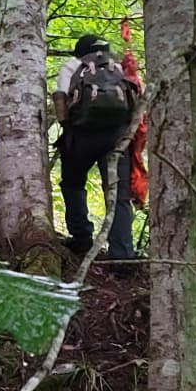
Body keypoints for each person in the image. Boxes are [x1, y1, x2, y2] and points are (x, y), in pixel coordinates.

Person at [51, 32, 141, 262]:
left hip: (81, 135)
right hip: (117, 137)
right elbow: (135, 100)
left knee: (72, 183)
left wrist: (69, 130)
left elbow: (61, 103)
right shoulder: (119, 65)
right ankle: (121, 256)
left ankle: (81, 238)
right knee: (119, 195)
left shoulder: (73, 65)